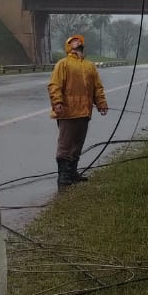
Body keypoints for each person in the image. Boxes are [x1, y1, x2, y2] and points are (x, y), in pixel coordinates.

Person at [48, 34, 109, 188]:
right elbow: (55, 85)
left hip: (84, 113)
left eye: (79, 42)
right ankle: (63, 177)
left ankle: (73, 172)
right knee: (65, 145)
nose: (77, 44)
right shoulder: (63, 64)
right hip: (68, 113)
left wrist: (101, 103)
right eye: (74, 42)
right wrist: (57, 103)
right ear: (69, 46)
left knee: (77, 145)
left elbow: (97, 87)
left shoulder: (89, 66)